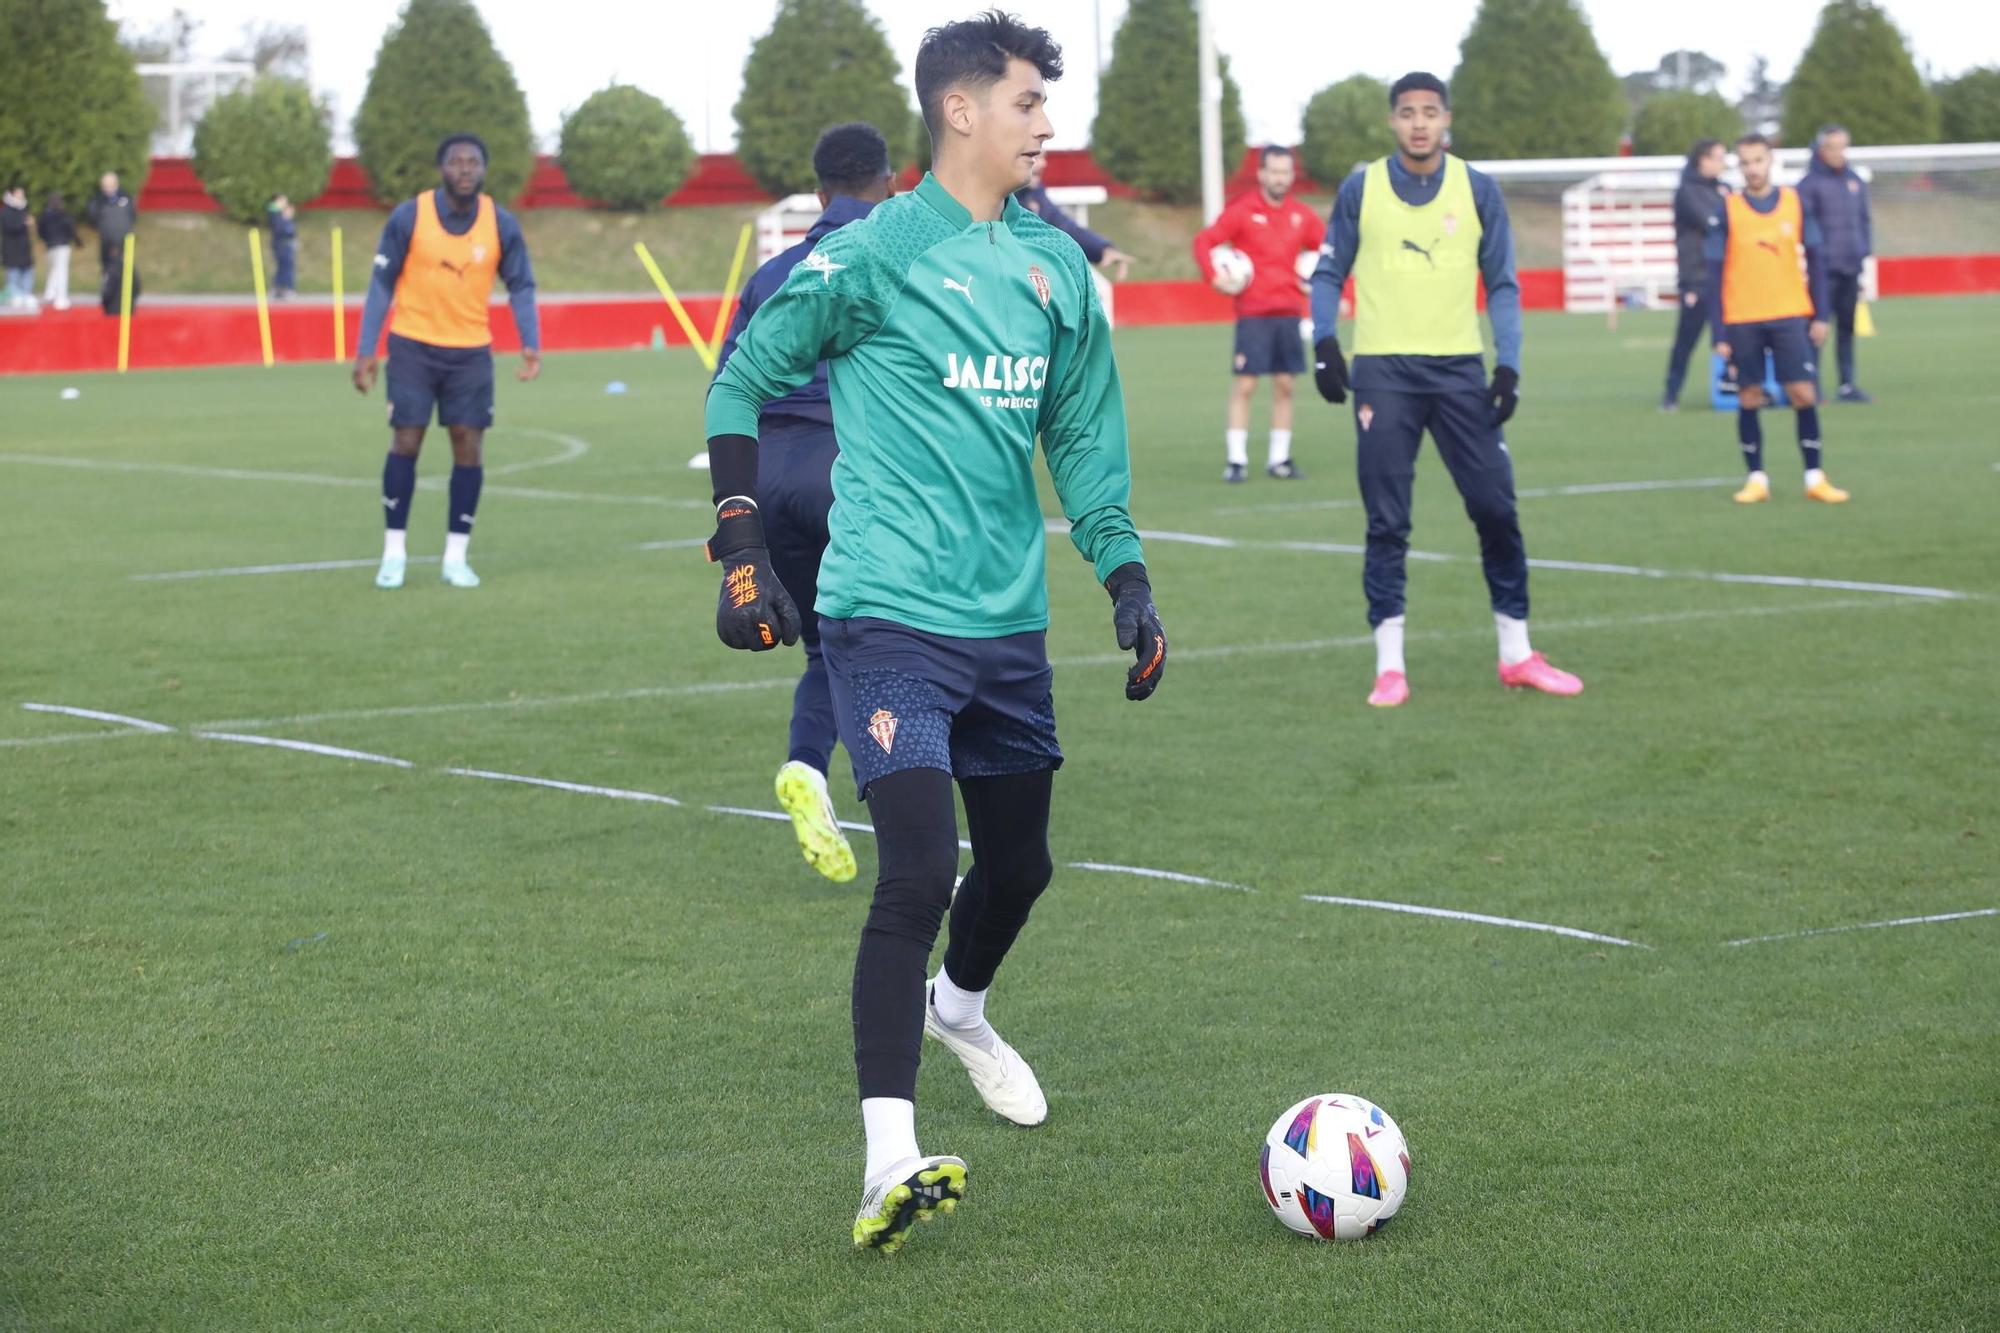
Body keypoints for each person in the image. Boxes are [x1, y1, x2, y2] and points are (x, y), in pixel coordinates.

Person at [700, 10, 1166, 1254]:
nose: (1045, 126)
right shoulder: (867, 252)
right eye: (1026, 103)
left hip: (1007, 621)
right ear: (959, 109)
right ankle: (886, 1161)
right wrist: (740, 539)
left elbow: (1080, 436)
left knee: (1017, 870)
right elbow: (740, 377)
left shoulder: (1055, 267)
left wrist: (1121, 575)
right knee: (914, 869)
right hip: (884, 614)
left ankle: (960, 1009)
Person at [1309, 71, 1582, 708]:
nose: (1420, 123)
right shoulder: (1362, 187)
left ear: (1447, 118)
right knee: (1388, 522)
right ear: (1392, 122)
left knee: (1496, 508)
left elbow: (1505, 285)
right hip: (1384, 373)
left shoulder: (1478, 189)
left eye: (1430, 112)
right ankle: (1390, 666)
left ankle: (1517, 654)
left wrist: (1508, 366)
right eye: (1407, 113)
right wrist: (1325, 343)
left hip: (1461, 373)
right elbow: (1328, 272)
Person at [711, 121, 897, 887]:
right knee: (891, 647)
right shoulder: (893, 260)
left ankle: (806, 766)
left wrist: (732, 521)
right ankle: (901, 805)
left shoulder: (773, 272)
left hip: (766, 472)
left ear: (817, 194)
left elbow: (727, 387)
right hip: (842, 468)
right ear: (889, 184)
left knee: (827, 647)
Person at [352, 133, 541, 590]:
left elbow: (521, 285)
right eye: (456, 161)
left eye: (473, 161)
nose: (465, 169)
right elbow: (380, 286)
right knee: (406, 443)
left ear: (483, 169)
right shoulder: (409, 216)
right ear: (442, 169)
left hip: (471, 353)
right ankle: (393, 552)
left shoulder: (500, 223)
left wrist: (529, 341)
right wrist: (365, 349)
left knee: (468, 446)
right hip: (412, 346)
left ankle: (456, 556)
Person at [1705, 134, 1848, 506]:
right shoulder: (1728, 209)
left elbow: (1816, 259)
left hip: (1789, 315)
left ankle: (1815, 477)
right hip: (1743, 318)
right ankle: (1756, 478)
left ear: (1771, 162)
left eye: (1758, 160)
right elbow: (1714, 272)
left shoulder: (1794, 202)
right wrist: (1719, 330)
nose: (1753, 168)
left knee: (1803, 392)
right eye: (1746, 162)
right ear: (1739, 167)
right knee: (1749, 396)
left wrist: (1820, 313)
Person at [1193, 145, 1326, 481]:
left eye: (1285, 171)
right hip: (1253, 314)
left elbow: (1327, 250)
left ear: (1291, 175)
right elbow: (1204, 241)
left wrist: (1330, 290)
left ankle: (1278, 460)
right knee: (1246, 386)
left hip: (1290, 314)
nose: (1280, 177)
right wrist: (1215, 277)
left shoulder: (1302, 215)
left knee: (1285, 386)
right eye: (1274, 171)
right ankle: (1236, 460)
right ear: (1263, 174)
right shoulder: (1242, 211)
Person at [1798, 125, 1873, 404]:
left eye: (1843, 146)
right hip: (1822, 271)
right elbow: (1804, 227)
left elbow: (1864, 220)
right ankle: (1812, 385)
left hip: (1850, 267)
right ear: (1821, 149)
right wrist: (1819, 255)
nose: (1839, 153)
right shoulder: (1808, 185)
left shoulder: (1854, 181)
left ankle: (1847, 384)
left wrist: (1863, 250)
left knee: (1847, 328)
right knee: (1817, 330)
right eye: (1833, 147)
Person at [1662, 139, 1729, 410]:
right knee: (1687, 339)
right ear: (1703, 159)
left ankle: (1732, 386)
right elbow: (1712, 222)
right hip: (1698, 277)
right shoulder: (1687, 191)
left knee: (1729, 336)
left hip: (1726, 274)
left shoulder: (1723, 188)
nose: (1723, 164)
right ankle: (1671, 393)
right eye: (1719, 157)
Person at [1014, 153, 1134, 281]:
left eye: (1044, 157)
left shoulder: (1035, 193)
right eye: (1036, 157)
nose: (1044, 164)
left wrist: (1101, 249)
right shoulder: (1002, 201)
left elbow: (1062, 226)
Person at [85, 172, 136, 279]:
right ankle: (108, 286)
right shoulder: (98, 200)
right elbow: (92, 216)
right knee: (107, 265)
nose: (107, 188)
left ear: (116, 184)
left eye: (109, 185)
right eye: (105, 185)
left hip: (124, 239)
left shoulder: (125, 198)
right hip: (106, 238)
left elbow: (133, 215)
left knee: (124, 265)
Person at [37, 191, 76, 311]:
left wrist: (47, 240)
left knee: (54, 268)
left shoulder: (44, 215)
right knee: (61, 270)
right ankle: (61, 298)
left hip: (51, 245)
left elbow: (41, 231)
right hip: (62, 245)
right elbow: (70, 229)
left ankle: (50, 293)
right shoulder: (63, 215)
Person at [1, 185, 33, 312]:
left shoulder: (23, 208)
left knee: (27, 271)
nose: (21, 196)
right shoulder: (6, 210)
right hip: (11, 248)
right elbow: (11, 227)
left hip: (23, 247)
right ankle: (15, 295)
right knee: (13, 273)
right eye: (19, 193)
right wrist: (24, 223)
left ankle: (26, 294)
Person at [268, 194, 298, 299]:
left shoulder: (280, 215)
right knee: (286, 266)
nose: (285, 203)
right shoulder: (275, 213)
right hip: (281, 244)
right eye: (283, 201)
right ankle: (286, 288)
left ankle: (279, 288)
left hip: (285, 244)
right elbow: (281, 230)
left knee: (284, 266)